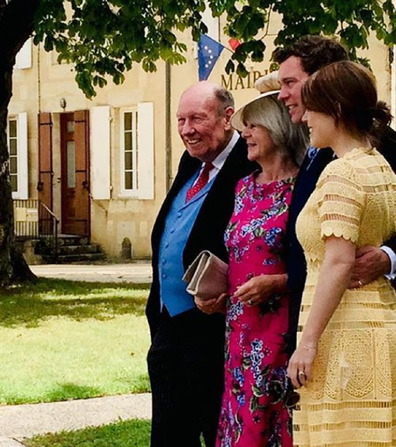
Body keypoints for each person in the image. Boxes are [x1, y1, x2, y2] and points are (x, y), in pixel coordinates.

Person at [287, 60, 396, 446]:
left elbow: (337, 259)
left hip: (345, 332)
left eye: (311, 109)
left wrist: (308, 342)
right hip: (376, 322)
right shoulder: (378, 164)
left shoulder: (341, 172)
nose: (305, 119)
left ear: (335, 110)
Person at [196, 73, 307, 446]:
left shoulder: (304, 189)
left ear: (278, 129)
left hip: (280, 327)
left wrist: (278, 282)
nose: (245, 133)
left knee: (272, 421)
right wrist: (217, 289)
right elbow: (240, 252)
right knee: (239, 420)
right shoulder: (243, 187)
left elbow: (318, 262)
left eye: (253, 125)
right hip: (238, 328)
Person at [269, 35, 396, 355]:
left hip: (355, 327)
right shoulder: (311, 146)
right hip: (313, 321)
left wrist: (389, 257)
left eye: (290, 83)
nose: (282, 95)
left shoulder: (380, 147)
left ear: (327, 82)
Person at [146, 81, 256, 447]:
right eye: (181, 120)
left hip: (216, 327)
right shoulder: (192, 162)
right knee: (168, 434)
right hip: (169, 322)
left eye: (197, 118)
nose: (187, 129)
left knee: (217, 429)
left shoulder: (251, 161)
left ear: (228, 118)